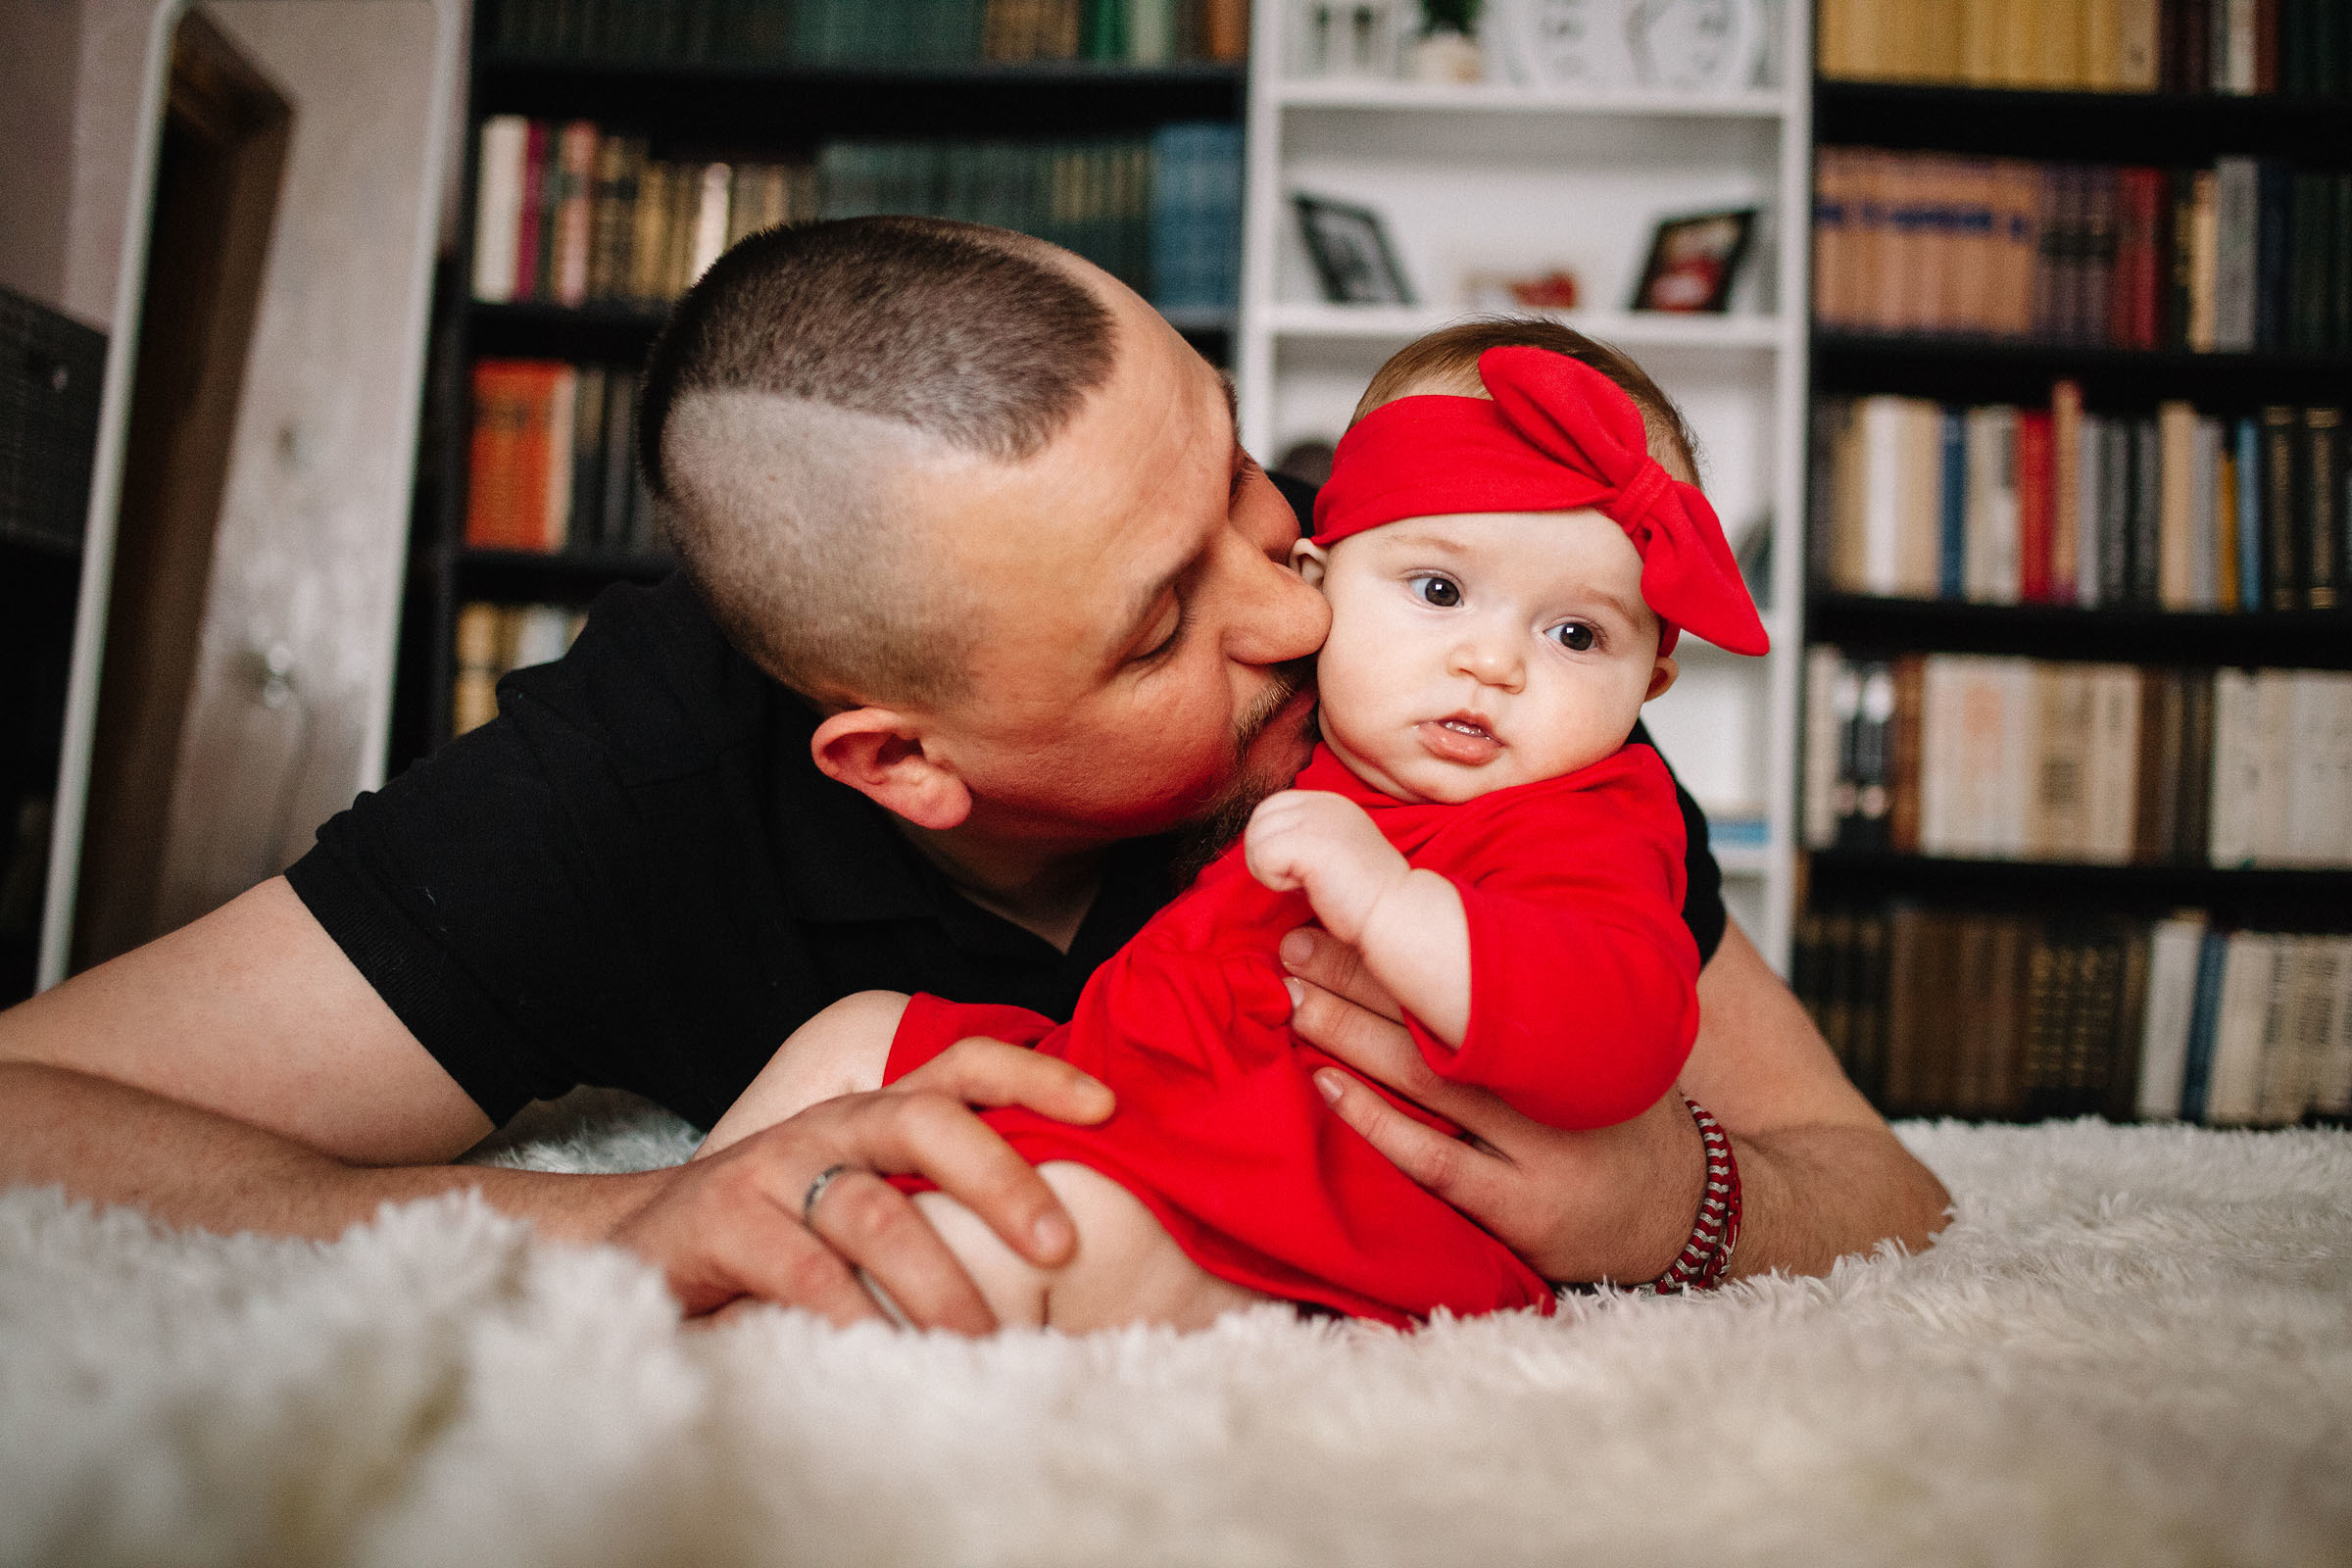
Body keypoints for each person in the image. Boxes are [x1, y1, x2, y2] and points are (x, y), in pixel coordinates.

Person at [0, 219, 1948, 1333]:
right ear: (900, 760)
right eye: (1161, 627)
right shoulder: (636, 778)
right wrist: (630, 1223)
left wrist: (1671, 1207)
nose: (1290, 605)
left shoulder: (1448, 653)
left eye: (1242, 477)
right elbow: (34, 1110)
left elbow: (1875, 1181)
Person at [696, 331, 1774, 1329]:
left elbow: (1619, 1042)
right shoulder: (1318, 724)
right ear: (1320, 587)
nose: (1494, 663)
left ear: (1650, 682)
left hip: (1309, 1210)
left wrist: (1395, 907)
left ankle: (773, 1351)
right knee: (859, 1034)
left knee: (1051, 1232)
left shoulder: (1586, 812)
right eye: (1440, 590)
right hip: (1133, 1084)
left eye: (1577, 634)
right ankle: (669, 1265)